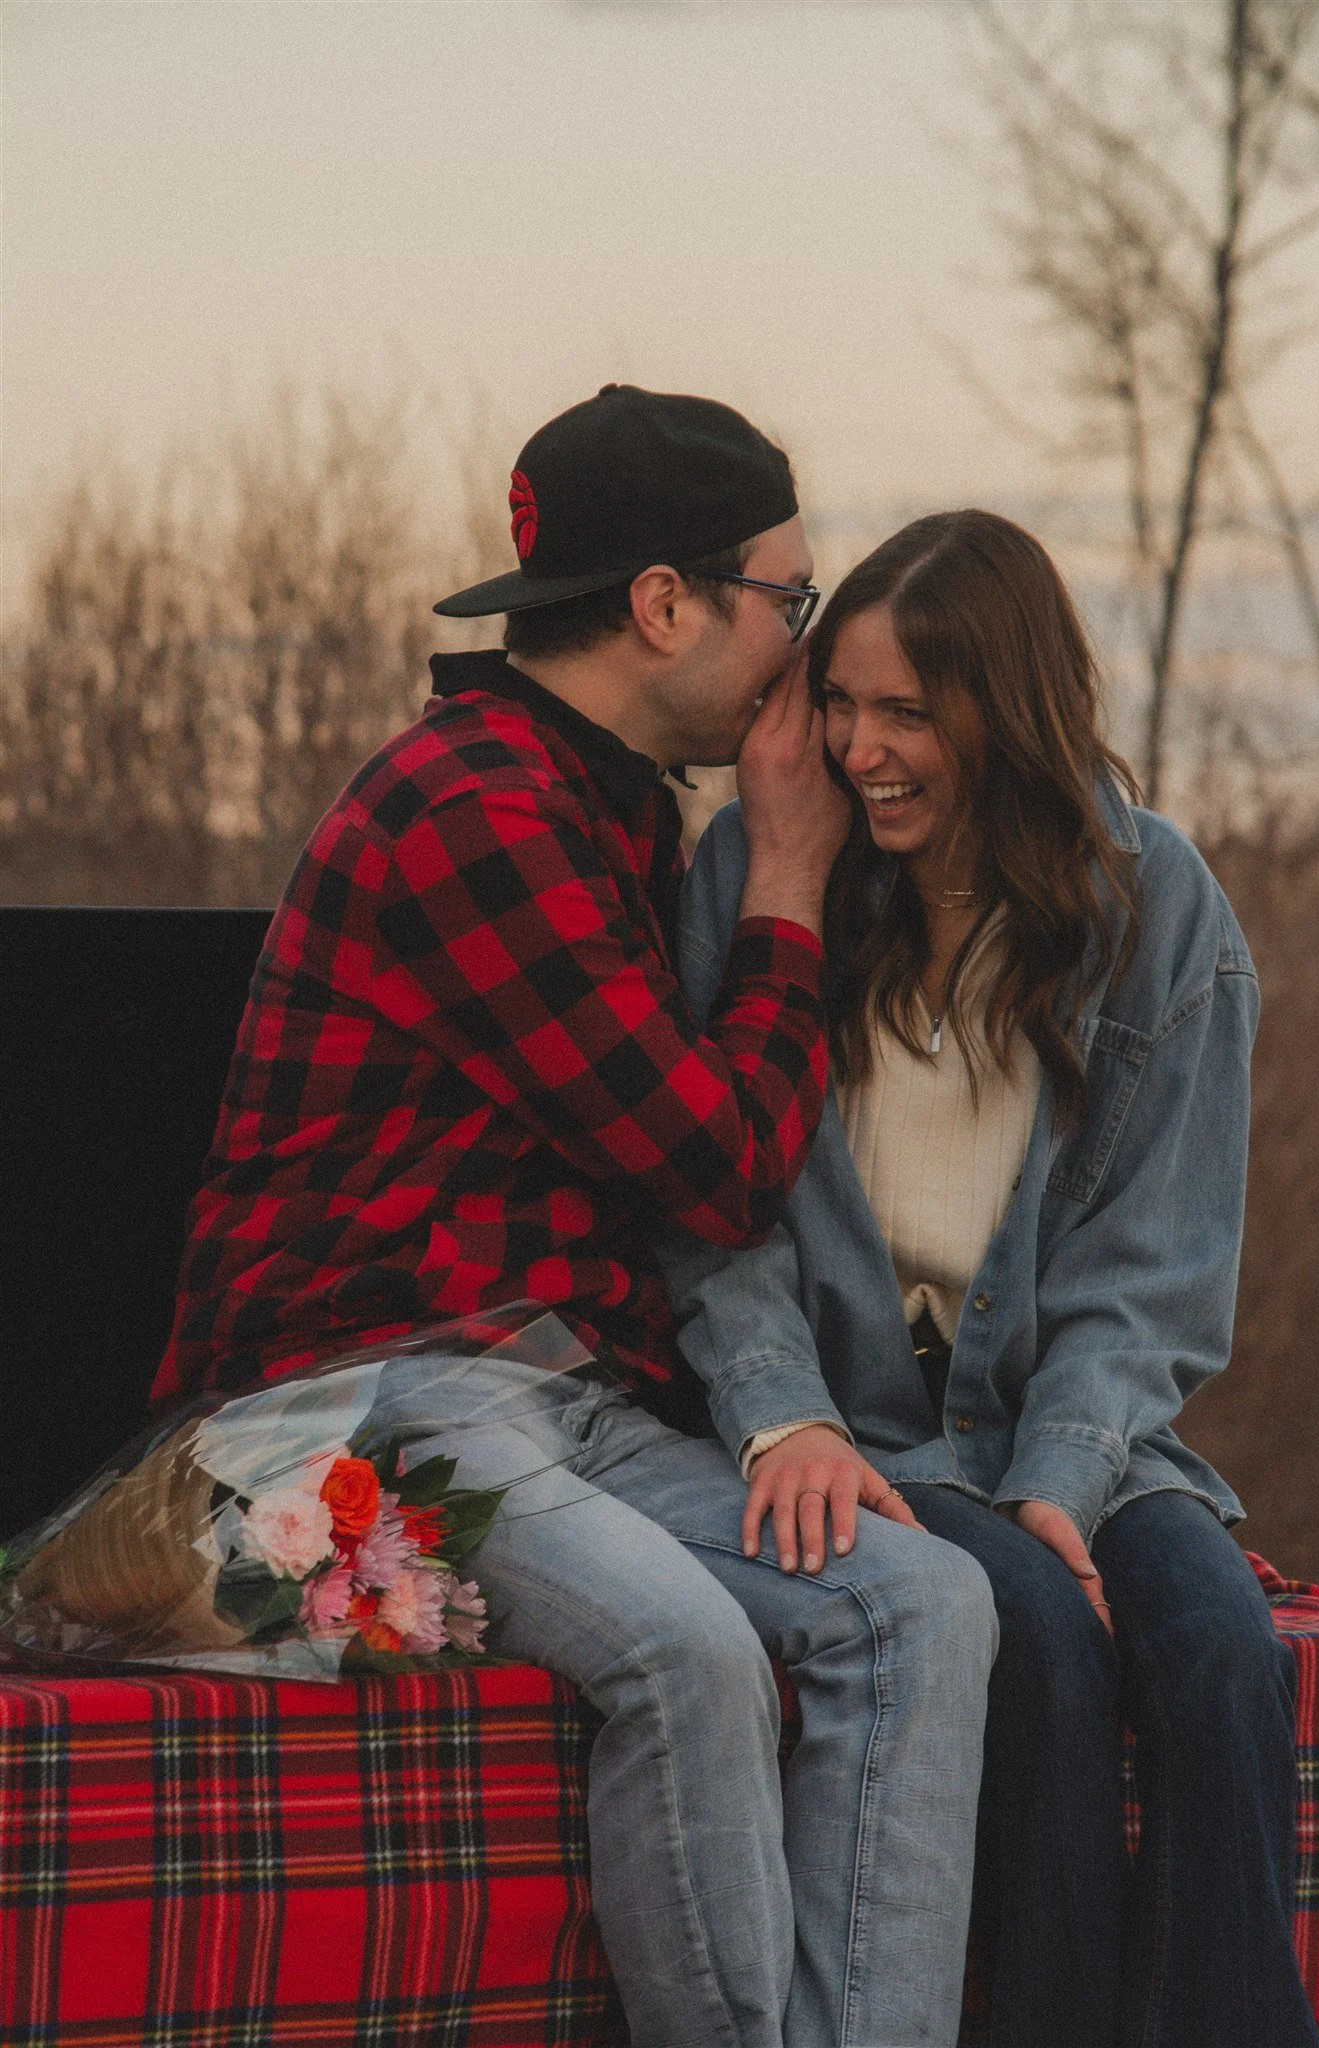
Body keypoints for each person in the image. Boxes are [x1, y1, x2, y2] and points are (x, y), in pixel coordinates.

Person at [153, 387, 996, 2048]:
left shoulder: (603, 807)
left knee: (922, 1606)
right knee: (688, 1650)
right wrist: (788, 885)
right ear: (668, 605)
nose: (806, 658)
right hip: (346, 1403)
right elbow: (716, 1167)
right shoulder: (473, 810)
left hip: (558, 1403)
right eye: (790, 605)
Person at [662, 509, 1319, 2048]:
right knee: (1041, 1648)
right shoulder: (772, 877)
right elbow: (712, 1206)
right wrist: (777, 1415)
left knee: (1225, 1662)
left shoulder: (1155, 910)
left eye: (908, 713)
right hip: (866, 1420)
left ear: (1005, 710)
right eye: (843, 702)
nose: (861, 746)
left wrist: (1064, 1479)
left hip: (1073, 1421)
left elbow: (1154, 1273)